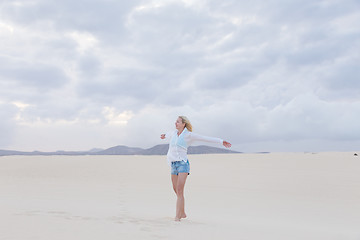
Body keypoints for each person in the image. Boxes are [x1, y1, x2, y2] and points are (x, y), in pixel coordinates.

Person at [160, 116, 231, 221]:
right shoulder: (173, 133)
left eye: (178, 122)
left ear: (184, 124)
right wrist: (164, 135)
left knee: (180, 190)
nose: (176, 123)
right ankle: (183, 212)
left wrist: (221, 141)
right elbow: (167, 135)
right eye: (176, 122)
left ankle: (177, 217)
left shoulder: (189, 135)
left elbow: (205, 138)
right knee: (176, 190)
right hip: (173, 164)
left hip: (183, 164)